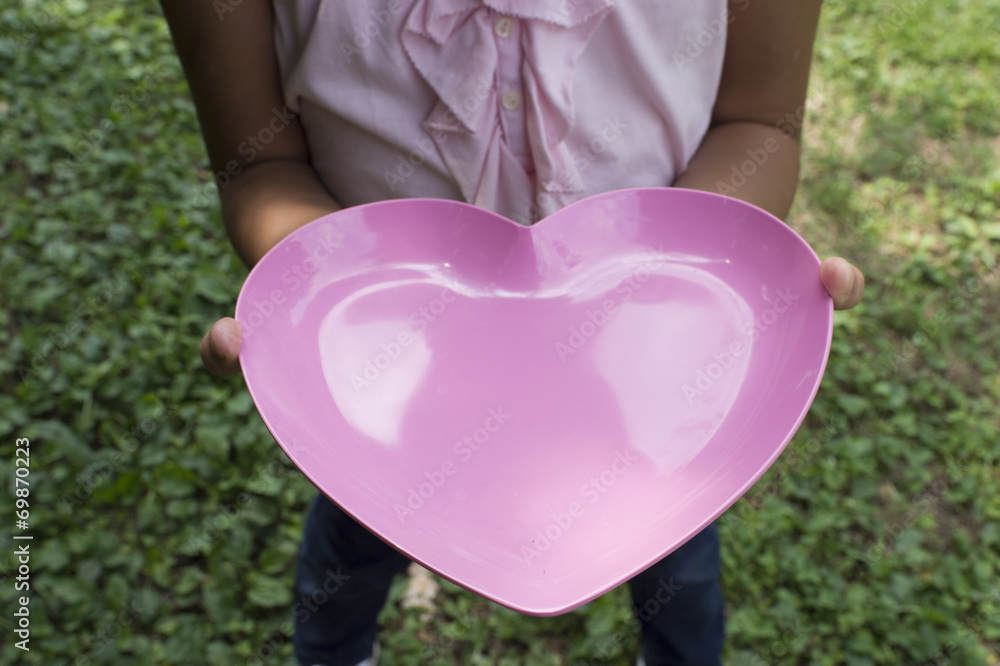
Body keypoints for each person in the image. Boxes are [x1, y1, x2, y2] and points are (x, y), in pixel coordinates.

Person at [161, 1, 865, 664]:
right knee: (360, 532)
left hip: (646, 352)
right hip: (393, 357)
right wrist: (304, 305)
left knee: (670, 538)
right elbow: (260, 163)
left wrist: (717, 289)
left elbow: (760, 122)